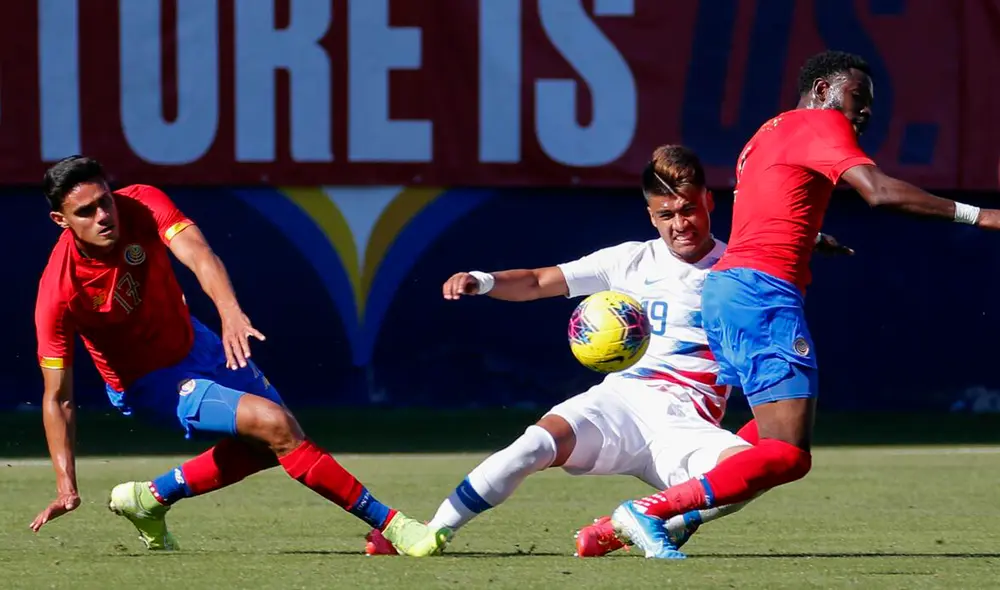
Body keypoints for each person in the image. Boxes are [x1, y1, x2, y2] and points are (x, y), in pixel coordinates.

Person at [363, 145, 852, 559]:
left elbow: (778, 242)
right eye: (666, 215)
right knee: (532, 446)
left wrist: (808, 241)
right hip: (620, 402)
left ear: (708, 201)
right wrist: (484, 281)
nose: (680, 224)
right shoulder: (629, 260)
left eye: (688, 210)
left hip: (688, 420)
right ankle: (432, 531)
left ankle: (615, 530)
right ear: (650, 214)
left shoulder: (738, 267)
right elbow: (538, 281)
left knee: (750, 472)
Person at [610, 50, 1000, 558]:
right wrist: (983, 216)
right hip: (760, 294)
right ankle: (652, 510)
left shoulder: (765, 135)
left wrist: (807, 236)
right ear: (822, 90)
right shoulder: (821, 123)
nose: (862, 113)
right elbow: (879, 193)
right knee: (789, 453)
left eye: (868, 106)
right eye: (857, 98)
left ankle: (618, 528)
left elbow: (764, 204)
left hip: (730, 290)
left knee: (774, 437)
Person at [29, 156, 433, 554]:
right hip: (149, 383)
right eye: (85, 211)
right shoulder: (58, 292)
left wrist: (229, 312)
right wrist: (67, 487)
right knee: (276, 426)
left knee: (273, 443)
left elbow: (199, 254)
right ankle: (393, 526)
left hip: (199, 343)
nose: (103, 215)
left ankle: (149, 498)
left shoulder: (141, 202)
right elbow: (58, 397)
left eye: (105, 200)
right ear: (61, 220)